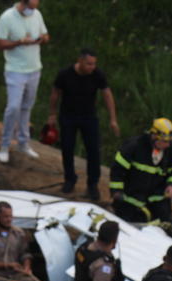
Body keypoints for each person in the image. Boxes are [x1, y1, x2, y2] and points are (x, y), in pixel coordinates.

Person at [47, 48, 119, 200]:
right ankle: (69, 179)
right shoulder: (65, 74)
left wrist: (113, 119)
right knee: (67, 148)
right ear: (80, 61)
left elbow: (107, 94)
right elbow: (55, 94)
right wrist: (52, 114)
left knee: (93, 150)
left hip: (89, 117)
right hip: (68, 116)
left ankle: (92, 184)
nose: (92, 67)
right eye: (89, 64)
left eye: (94, 64)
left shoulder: (97, 74)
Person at [0, 0, 49, 164]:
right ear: (23, 4)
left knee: (27, 107)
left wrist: (41, 39)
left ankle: (23, 142)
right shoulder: (6, 18)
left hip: (34, 69)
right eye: (30, 8)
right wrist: (19, 42)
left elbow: (46, 35)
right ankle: (4, 145)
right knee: (13, 107)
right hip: (15, 70)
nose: (32, 11)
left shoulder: (37, 15)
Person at [110, 118, 172, 234]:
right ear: (154, 136)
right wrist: (116, 190)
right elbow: (117, 169)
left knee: (169, 229)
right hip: (131, 198)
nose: (168, 145)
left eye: (169, 141)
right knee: (125, 230)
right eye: (164, 141)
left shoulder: (170, 150)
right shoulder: (134, 146)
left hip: (157, 198)